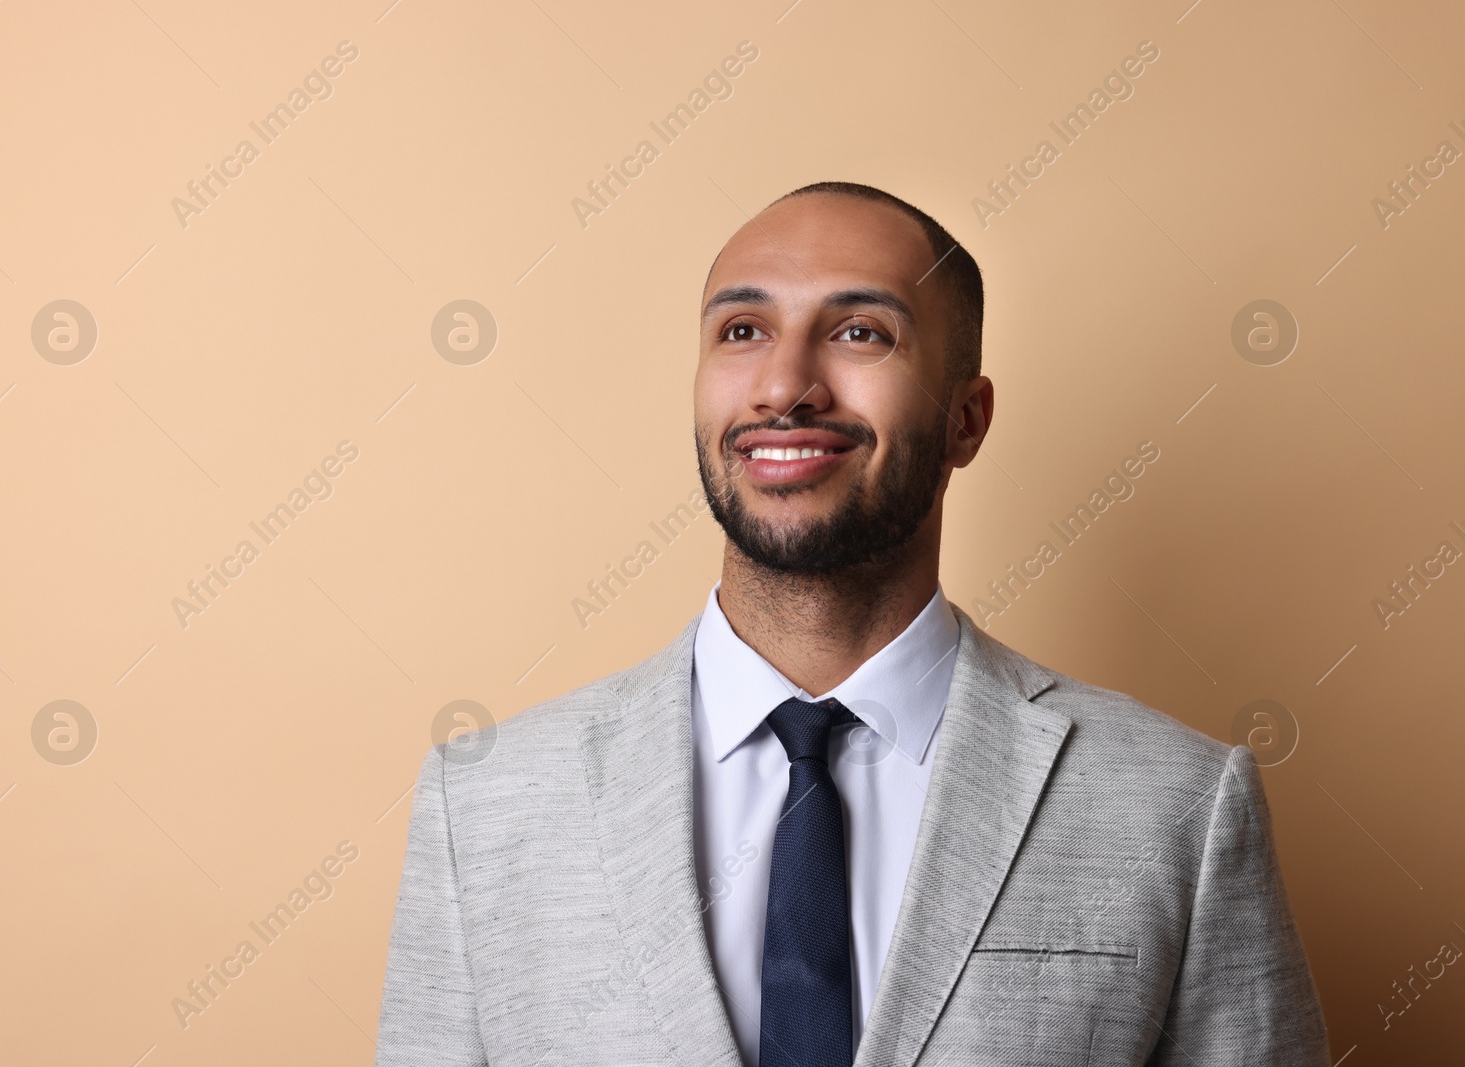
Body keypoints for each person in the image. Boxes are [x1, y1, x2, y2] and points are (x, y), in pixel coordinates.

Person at [375, 181, 1330, 1066]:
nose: (785, 385)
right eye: (743, 328)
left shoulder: (1180, 806)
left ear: (967, 419)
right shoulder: (485, 807)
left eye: (862, 332)